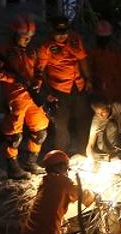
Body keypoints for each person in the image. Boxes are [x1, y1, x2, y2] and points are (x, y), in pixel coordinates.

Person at [0, 13, 48, 180]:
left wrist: (37, 81)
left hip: (31, 96)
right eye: (24, 37)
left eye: (29, 38)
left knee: (41, 131)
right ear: (14, 34)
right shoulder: (3, 50)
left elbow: (38, 69)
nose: (27, 40)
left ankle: (30, 162)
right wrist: (14, 79)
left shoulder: (32, 51)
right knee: (14, 135)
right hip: (14, 97)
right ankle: (13, 167)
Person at [37, 15, 93, 155]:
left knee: (82, 120)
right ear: (52, 31)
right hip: (59, 89)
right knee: (61, 124)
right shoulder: (46, 47)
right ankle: (61, 155)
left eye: (64, 32)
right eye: (58, 33)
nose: (62, 36)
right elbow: (40, 70)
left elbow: (82, 59)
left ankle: (84, 151)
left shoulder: (75, 39)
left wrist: (88, 79)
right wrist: (47, 91)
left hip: (78, 86)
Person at [88, 20, 121, 121]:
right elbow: (89, 69)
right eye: (102, 38)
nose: (104, 40)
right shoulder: (93, 52)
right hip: (101, 86)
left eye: (105, 38)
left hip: (117, 85)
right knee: (103, 113)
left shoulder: (114, 49)